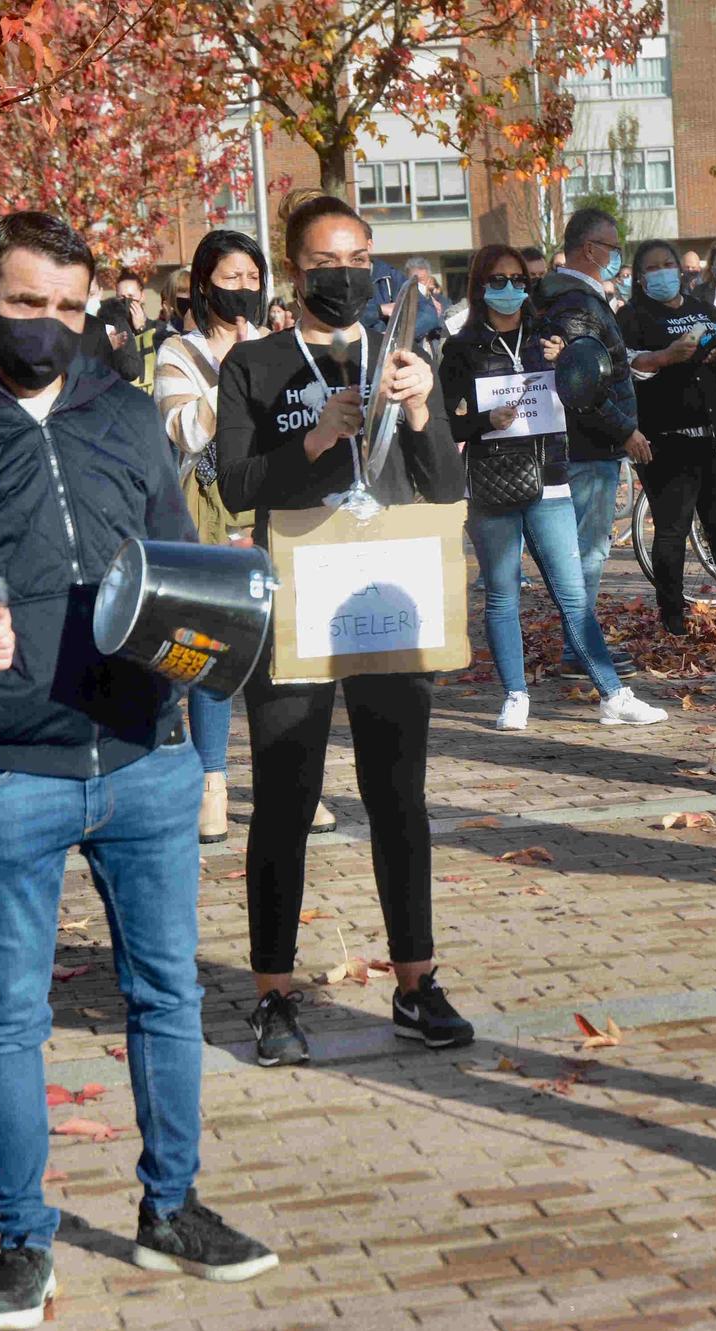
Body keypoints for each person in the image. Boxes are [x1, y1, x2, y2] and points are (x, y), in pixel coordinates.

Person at [0, 212, 276, 1329]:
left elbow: (176, 563)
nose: (53, 328)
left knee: (168, 993)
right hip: (4, 775)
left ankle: (170, 1208)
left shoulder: (125, 415)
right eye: (29, 305)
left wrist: (208, 641)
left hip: (143, 762)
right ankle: (21, 1243)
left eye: (72, 309)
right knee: (6, 1020)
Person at [213, 195, 470, 1067]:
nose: (348, 274)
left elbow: (440, 486)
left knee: (398, 794)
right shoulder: (253, 364)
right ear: (296, 271)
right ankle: (275, 994)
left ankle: (416, 980)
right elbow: (239, 484)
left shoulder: (400, 351)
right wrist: (321, 434)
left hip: (387, 589)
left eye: (361, 257)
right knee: (286, 796)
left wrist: (427, 409)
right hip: (297, 594)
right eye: (329, 262)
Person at [440, 243, 667, 730]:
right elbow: (442, 424)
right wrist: (482, 421)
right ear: (480, 287)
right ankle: (515, 695)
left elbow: (587, 396)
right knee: (501, 594)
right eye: (497, 281)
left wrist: (574, 368)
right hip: (492, 483)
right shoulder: (461, 347)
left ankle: (613, 694)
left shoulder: (547, 335)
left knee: (571, 593)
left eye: (518, 281)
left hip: (550, 478)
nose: (509, 290)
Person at [155, 230, 267, 845]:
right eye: (231, 278)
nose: (243, 290)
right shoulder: (179, 353)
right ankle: (212, 785)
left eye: (252, 277)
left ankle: (283, 778)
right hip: (205, 514)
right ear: (204, 283)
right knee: (214, 650)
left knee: (277, 652)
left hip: (269, 507)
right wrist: (238, 377)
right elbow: (183, 431)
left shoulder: (275, 345)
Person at [620, 239, 716, 635]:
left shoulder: (702, 309)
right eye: (653, 268)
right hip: (665, 440)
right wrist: (665, 356)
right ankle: (672, 615)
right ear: (639, 277)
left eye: (668, 263)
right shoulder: (632, 316)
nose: (663, 272)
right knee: (672, 529)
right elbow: (626, 367)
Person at [529, 207, 648, 680]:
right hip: (589, 447)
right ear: (589, 249)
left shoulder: (577, 298)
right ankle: (579, 648)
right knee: (587, 552)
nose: (618, 256)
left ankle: (579, 644)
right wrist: (625, 430)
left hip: (587, 446)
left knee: (584, 550)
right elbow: (583, 386)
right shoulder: (577, 304)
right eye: (612, 247)